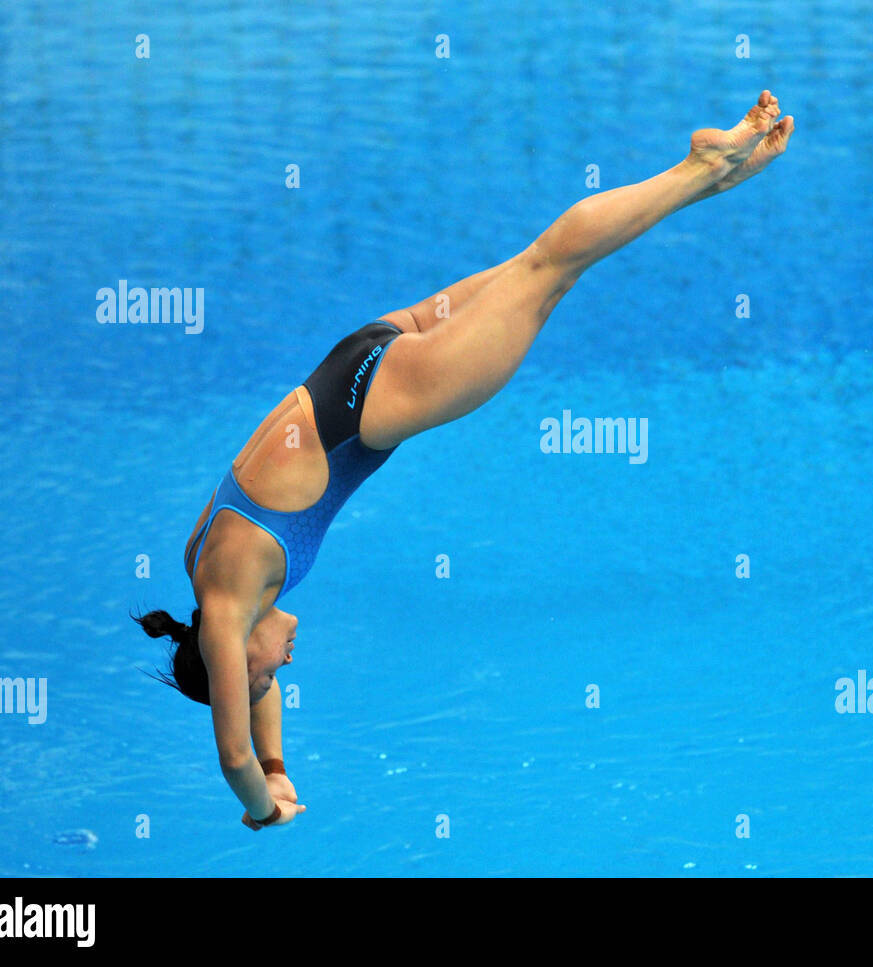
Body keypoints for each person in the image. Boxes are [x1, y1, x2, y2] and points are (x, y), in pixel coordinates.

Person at [136, 91, 795, 830]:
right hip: (359, 358)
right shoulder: (207, 569)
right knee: (533, 265)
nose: (282, 670)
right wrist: (282, 771)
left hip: (377, 398)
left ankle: (698, 165)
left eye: (264, 673)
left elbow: (231, 759)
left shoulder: (229, 609)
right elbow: (256, 705)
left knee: (549, 269)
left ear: (231, 658)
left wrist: (263, 810)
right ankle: (711, 176)